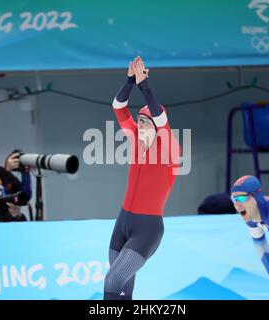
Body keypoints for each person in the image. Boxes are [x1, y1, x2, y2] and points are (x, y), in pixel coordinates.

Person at [104, 57, 181, 300]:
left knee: (112, 280)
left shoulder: (170, 149)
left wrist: (144, 87)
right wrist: (129, 82)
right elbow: (118, 106)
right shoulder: (135, 139)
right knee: (124, 288)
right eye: (140, 122)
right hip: (123, 222)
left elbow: (161, 119)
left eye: (147, 123)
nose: (141, 126)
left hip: (147, 228)